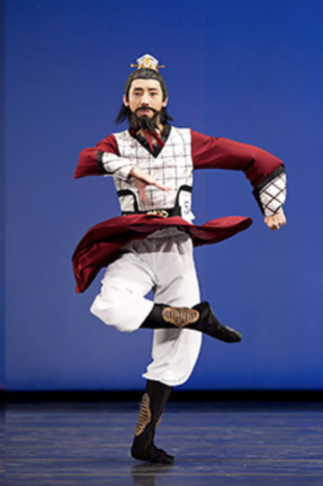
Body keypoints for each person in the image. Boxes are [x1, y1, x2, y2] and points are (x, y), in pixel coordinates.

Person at [72, 54, 287, 464]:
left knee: (178, 353)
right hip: (134, 246)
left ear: (165, 100)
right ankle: (195, 316)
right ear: (127, 99)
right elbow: (89, 160)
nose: (145, 99)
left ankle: (143, 441)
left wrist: (271, 206)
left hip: (175, 245)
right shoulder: (115, 145)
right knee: (110, 307)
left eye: (153, 92)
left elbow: (254, 159)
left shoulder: (188, 142)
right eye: (138, 93)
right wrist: (130, 170)